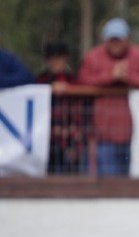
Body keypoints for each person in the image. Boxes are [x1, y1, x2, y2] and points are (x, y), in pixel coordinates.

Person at [77, 18, 139, 176]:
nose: (116, 44)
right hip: (104, 134)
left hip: (137, 135)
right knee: (108, 184)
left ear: (127, 39)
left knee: (136, 186)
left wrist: (128, 77)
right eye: (112, 40)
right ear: (105, 40)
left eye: (119, 40)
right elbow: (83, 80)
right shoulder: (93, 57)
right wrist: (111, 76)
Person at [37, 42, 86, 174]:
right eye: (53, 59)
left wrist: (75, 142)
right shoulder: (39, 81)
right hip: (46, 141)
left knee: (70, 179)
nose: (56, 62)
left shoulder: (74, 82)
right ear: (47, 60)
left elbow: (79, 113)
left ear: (66, 59)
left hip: (69, 140)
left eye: (60, 58)